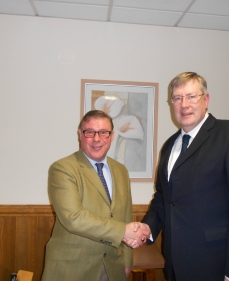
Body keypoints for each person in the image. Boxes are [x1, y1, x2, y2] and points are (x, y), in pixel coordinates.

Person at [142, 72, 229, 281]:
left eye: (191, 96)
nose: (184, 104)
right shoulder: (170, 145)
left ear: (206, 100)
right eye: (177, 98)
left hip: (216, 265)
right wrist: (147, 228)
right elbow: (164, 198)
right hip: (175, 264)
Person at [41, 110, 151, 281]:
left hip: (113, 267)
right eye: (90, 132)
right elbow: (74, 218)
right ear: (80, 134)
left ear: (112, 136)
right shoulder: (63, 168)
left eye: (103, 133)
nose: (97, 139)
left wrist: (128, 260)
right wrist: (123, 232)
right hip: (72, 269)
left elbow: (126, 215)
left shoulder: (121, 171)